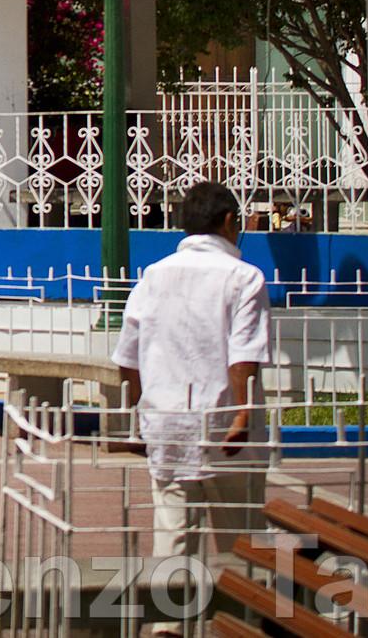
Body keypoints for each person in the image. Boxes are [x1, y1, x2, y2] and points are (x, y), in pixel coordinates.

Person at [114, 182, 272, 566]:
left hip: (166, 424)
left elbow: (127, 358)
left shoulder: (152, 276)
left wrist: (137, 414)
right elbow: (243, 355)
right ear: (230, 221)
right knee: (241, 541)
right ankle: (241, 613)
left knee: (173, 538)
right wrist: (242, 415)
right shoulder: (245, 278)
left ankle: (167, 622)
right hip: (225, 429)